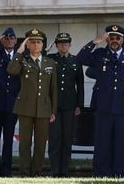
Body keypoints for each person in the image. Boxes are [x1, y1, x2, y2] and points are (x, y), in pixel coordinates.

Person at [76, 24, 124, 178]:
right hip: (102, 106)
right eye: (111, 37)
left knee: (122, 142)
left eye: (117, 38)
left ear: (122, 40)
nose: (114, 40)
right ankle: (101, 173)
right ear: (107, 40)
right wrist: (95, 42)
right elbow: (80, 58)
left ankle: (122, 173)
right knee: (102, 142)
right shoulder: (99, 54)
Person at [7, 29, 57, 177]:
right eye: (33, 42)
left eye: (39, 42)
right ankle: (24, 171)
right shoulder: (22, 61)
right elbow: (11, 70)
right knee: (25, 143)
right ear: (28, 44)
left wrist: (53, 111)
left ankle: (36, 172)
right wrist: (19, 51)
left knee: (40, 143)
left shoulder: (50, 63)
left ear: (42, 45)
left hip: (44, 108)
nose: (36, 44)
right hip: (25, 108)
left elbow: (53, 89)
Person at [47, 32, 84, 178]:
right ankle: (55, 170)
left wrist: (79, 105)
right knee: (54, 139)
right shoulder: (50, 59)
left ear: (70, 45)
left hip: (70, 105)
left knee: (67, 139)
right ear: (56, 45)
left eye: (66, 43)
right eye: (61, 43)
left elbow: (80, 85)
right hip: (54, 105)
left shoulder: (75, 61)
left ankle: (64, 170)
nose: (64, 45)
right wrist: (46, 50)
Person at [0, 27, 20, 176]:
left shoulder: (20, 56)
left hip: (12, 104)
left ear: (16, 40)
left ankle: (6, 168)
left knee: (8, 138)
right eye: (6, 38)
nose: (9, 40)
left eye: (12, 38)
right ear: (2, 40)